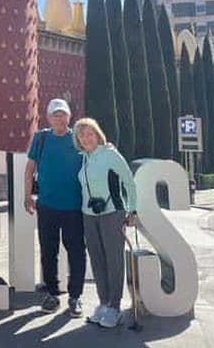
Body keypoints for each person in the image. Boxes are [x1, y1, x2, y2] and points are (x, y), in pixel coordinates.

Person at [23, 98, 85, 316]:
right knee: (48, 252)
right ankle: (51, 294)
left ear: (69, 117)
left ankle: (75, 296)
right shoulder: (40, 138)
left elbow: (95, 153)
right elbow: (30, 168)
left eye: (63, 114)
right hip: (47, 206)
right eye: (55, 114)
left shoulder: (78, 137)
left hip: (74, 207)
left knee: (76, 251)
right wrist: (27, 195)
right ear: (48, 117)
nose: (59, 118)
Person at [74, 117, 137, 329]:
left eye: (89, 134)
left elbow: (128, 180)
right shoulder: (84, 158)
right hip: (88, 215)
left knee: (114, 260)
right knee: (97, 260)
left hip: (112, 213)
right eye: (81, 136)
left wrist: (132, 209)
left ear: (97, 135)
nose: (86, 138)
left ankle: (115, 307)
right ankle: (103, 303)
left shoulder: (109, 154)